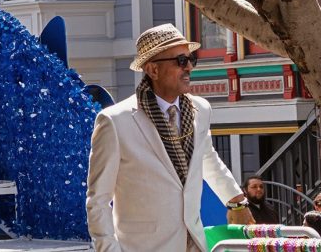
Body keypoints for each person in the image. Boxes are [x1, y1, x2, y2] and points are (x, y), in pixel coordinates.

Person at [86, 23, 250, 251]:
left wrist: (237, 203)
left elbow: (207, 159)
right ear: (153, 70)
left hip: (193, 242)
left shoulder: (200, 109)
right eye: (181, 61)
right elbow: (98, 200)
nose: (189, 67)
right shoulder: (114, 121)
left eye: (191, 59)